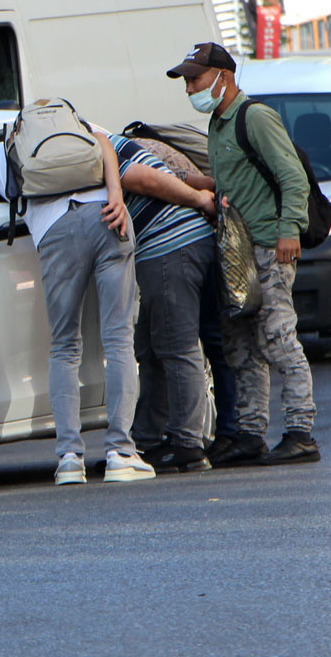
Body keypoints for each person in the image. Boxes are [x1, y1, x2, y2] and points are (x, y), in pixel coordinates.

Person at [0, 111, 155, 484]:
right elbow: (108, 146)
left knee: (64, 346)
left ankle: (70, 458)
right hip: (108, 216)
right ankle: (121, 453)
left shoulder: (5, 147)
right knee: (118, 338)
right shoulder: (82, 129)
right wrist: (116, 196)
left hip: (57, 230)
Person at [167, 42, 319, 465]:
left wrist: (289, 232)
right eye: (186, 81)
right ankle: (251, 435)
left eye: (195, 79)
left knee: (278, 337)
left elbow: (293, 178)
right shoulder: (218, 124)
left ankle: (300, 432)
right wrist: (195, 182)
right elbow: (232, 182)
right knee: (241, 344)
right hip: (238, 253)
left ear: (223, 77)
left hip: (271, 247)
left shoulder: (254, 117)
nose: (189, 89)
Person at [107, 131, 218, 472]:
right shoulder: (111, 140)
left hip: (170, 246)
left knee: (176, 346)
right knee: (152, 347)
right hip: (184, 243)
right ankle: (148, 439)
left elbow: (143, 178)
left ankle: (187, 443)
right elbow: (173, 175)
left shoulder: (97, 148)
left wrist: (200, 199)